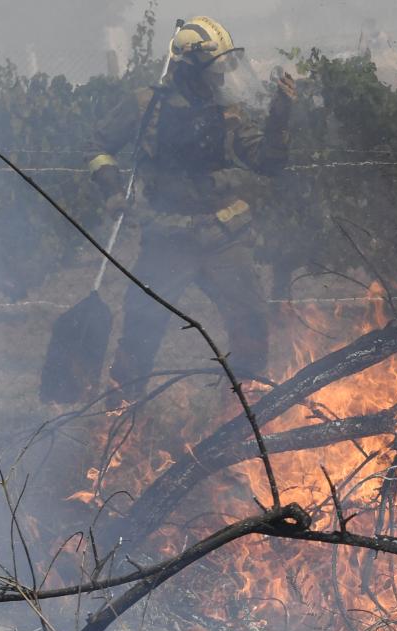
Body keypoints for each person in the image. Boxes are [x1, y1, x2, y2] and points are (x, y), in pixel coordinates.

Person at [86, 16, 294, 399]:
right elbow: (98, 146)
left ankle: (246, 412)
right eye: (214, 69)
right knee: (140, 329)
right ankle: (122, 416)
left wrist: (281, 115)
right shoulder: (146, 105)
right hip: (166, 238)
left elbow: (268, 162)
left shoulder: (228, 112)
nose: (220, 77)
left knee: (250, 324)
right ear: (189, 66)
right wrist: (113, 189)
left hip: (224, 237)